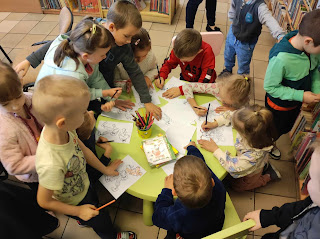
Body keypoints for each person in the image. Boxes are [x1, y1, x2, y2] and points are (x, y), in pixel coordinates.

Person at [14, 1, 162, 119]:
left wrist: (144, 100)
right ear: (111, 26)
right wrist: (29, 61)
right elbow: (60, 42)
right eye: (126, 36)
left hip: (98, 85)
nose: (129, 41)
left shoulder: (119, 49)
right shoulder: (89, 32)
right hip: (72, 96)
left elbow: (128, 73)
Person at [33, 75, 136, 239]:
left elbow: (83, 151)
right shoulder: (51, 163)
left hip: (82, 183)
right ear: (62, 122)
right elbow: (44, 201)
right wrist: (78, 211)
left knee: (92, 200)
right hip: (73, 201)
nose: (88, 114)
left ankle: (84, 217)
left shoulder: (64, 129)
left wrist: (105, 170)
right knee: (101, 220)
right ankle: (110, 235)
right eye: (82, 113)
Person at [35, 17, 122, 113]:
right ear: (86, 56)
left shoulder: (83, 52)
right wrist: (105, 93)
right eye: (102, 55)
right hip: (50, 108)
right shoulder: (73, 74)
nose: (105, 57)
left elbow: (96, 78)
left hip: (67, 97)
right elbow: (82, 94)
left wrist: (111, 97)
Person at [243, 141, 320, 238]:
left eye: (313, 179)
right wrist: (268, 216)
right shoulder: (315, 201)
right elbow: (298, 209)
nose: (308, 184)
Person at [264, 9, 320, 139]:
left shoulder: (310, 47)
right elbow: (270, 87)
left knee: (286, 127)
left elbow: (314, 68)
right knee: (274, 130)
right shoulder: (281, 59)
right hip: (279, 107)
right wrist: (301, 95)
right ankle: (268, 146)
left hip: (295, 103)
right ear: (308, 41)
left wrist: (316, 91)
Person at [152, 141, 226, 239]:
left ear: (174, 192)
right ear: (212, 182)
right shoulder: (219, 187)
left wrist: (166, 191)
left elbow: (157, 217)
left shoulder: (177, 215)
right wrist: (192, 148)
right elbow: (201, 165)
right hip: (215, 228)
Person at [198, 105, 281, 192]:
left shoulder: (253, 156)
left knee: (238, 186)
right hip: (250, 160)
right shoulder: (252, 121)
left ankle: (269, 176)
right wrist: (215, 123)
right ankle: (265, 165)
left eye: (238, 129)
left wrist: (215, 150)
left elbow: (234, 168)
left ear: (247, 135)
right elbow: (231, 115)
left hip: (251, 173)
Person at [0, 62, 42, 193]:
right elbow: (14, 165)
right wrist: (47, 158)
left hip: (54, 155)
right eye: (6, 104)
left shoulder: (32, 99)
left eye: (18, 96)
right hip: (36, 175)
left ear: (21, 82)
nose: (15, 106)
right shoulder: (3, 129)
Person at [219, 0, 285, 76]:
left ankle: (242, 79)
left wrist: (279, 34)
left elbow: (269, 19)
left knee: (243, 64)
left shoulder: (260, 6)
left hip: (246, 43)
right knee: (228, 55)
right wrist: (231, 17)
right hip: (232, 34)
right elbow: (233, 6)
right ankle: (228, 70)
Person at [162, 74, 251, 117]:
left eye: (227, 103)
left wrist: (233, 109)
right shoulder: (216, 88)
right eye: (222, 98)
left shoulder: (243, 102)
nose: (223, 102)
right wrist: (195, 106)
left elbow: (247, 114)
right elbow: (187, 86)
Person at [114, 27, 157, 93]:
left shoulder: (150, 55)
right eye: (136, 57)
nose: (141, 60)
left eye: (144, 55)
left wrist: (148, 77)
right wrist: (125, 85)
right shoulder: (118, 63)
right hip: (126, 93)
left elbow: (156, 69)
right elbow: (114, 82)